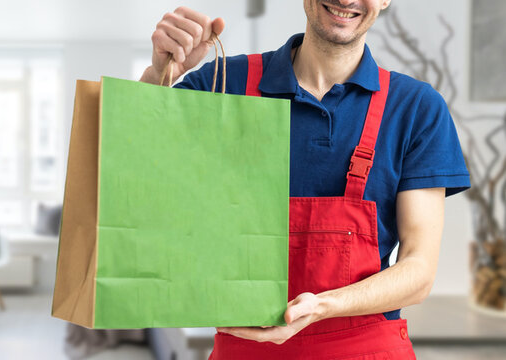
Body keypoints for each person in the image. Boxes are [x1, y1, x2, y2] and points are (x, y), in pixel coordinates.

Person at [139, 1, 470, 358]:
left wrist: (322, 307)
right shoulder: (223, 85)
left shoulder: (415, 108)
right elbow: (131, 168)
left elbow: (417, 271)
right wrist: (160, 74)